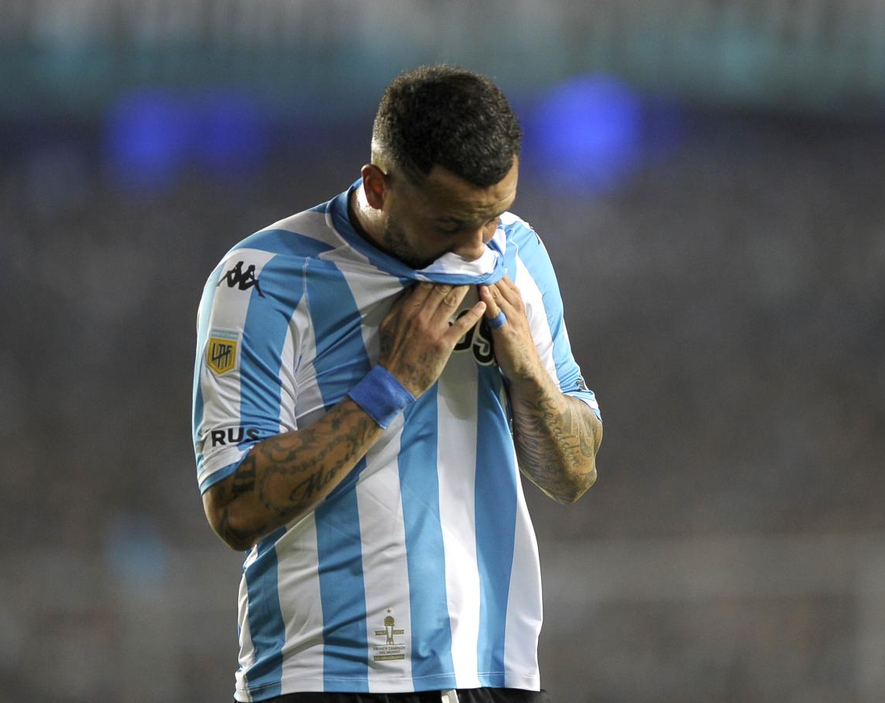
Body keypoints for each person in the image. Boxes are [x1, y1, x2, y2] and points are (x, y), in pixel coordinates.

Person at [192, 65, 603, 703]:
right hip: (324, 675)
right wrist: (391, 383)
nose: (477, 249)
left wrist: (529, 376)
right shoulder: (263, 277)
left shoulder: (518, 254)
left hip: (490, 670)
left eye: (493, 217)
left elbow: (573, 476)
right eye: (450, 224)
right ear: (378, 187)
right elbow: (234, 509)